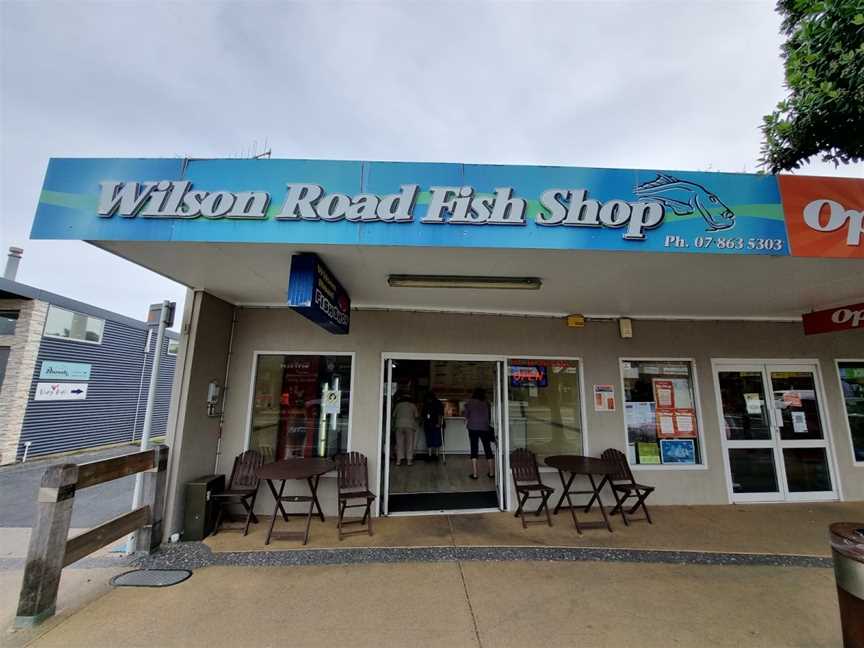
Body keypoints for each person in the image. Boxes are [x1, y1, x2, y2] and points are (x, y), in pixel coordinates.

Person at [463, 387, 494, 480]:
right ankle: (491, 473)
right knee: (487, 448)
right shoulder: (487, 403)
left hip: (472, 428)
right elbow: (489, 417)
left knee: (474, 449)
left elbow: (466, 416)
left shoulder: (469, 402)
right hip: (484, 428)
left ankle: (475, 474)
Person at [392, 394, 419, 466]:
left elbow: (394, 415)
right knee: (410, 443)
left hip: (399, 425)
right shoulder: (412, 405)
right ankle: (409, 461)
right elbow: (416, 416)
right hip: (410, 426)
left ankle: (398, 461)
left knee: (399, 443)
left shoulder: (398, 405)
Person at [423, 390, 444, 461]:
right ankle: (431, 455)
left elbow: (440, 414)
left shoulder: (437, 403)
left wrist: (439, 423)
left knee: (435, 440)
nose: (428, 400)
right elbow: (423, 414)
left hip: (434, 424)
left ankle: (435, 455)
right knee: (432, 440)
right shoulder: (428, 403)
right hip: (429, 424)